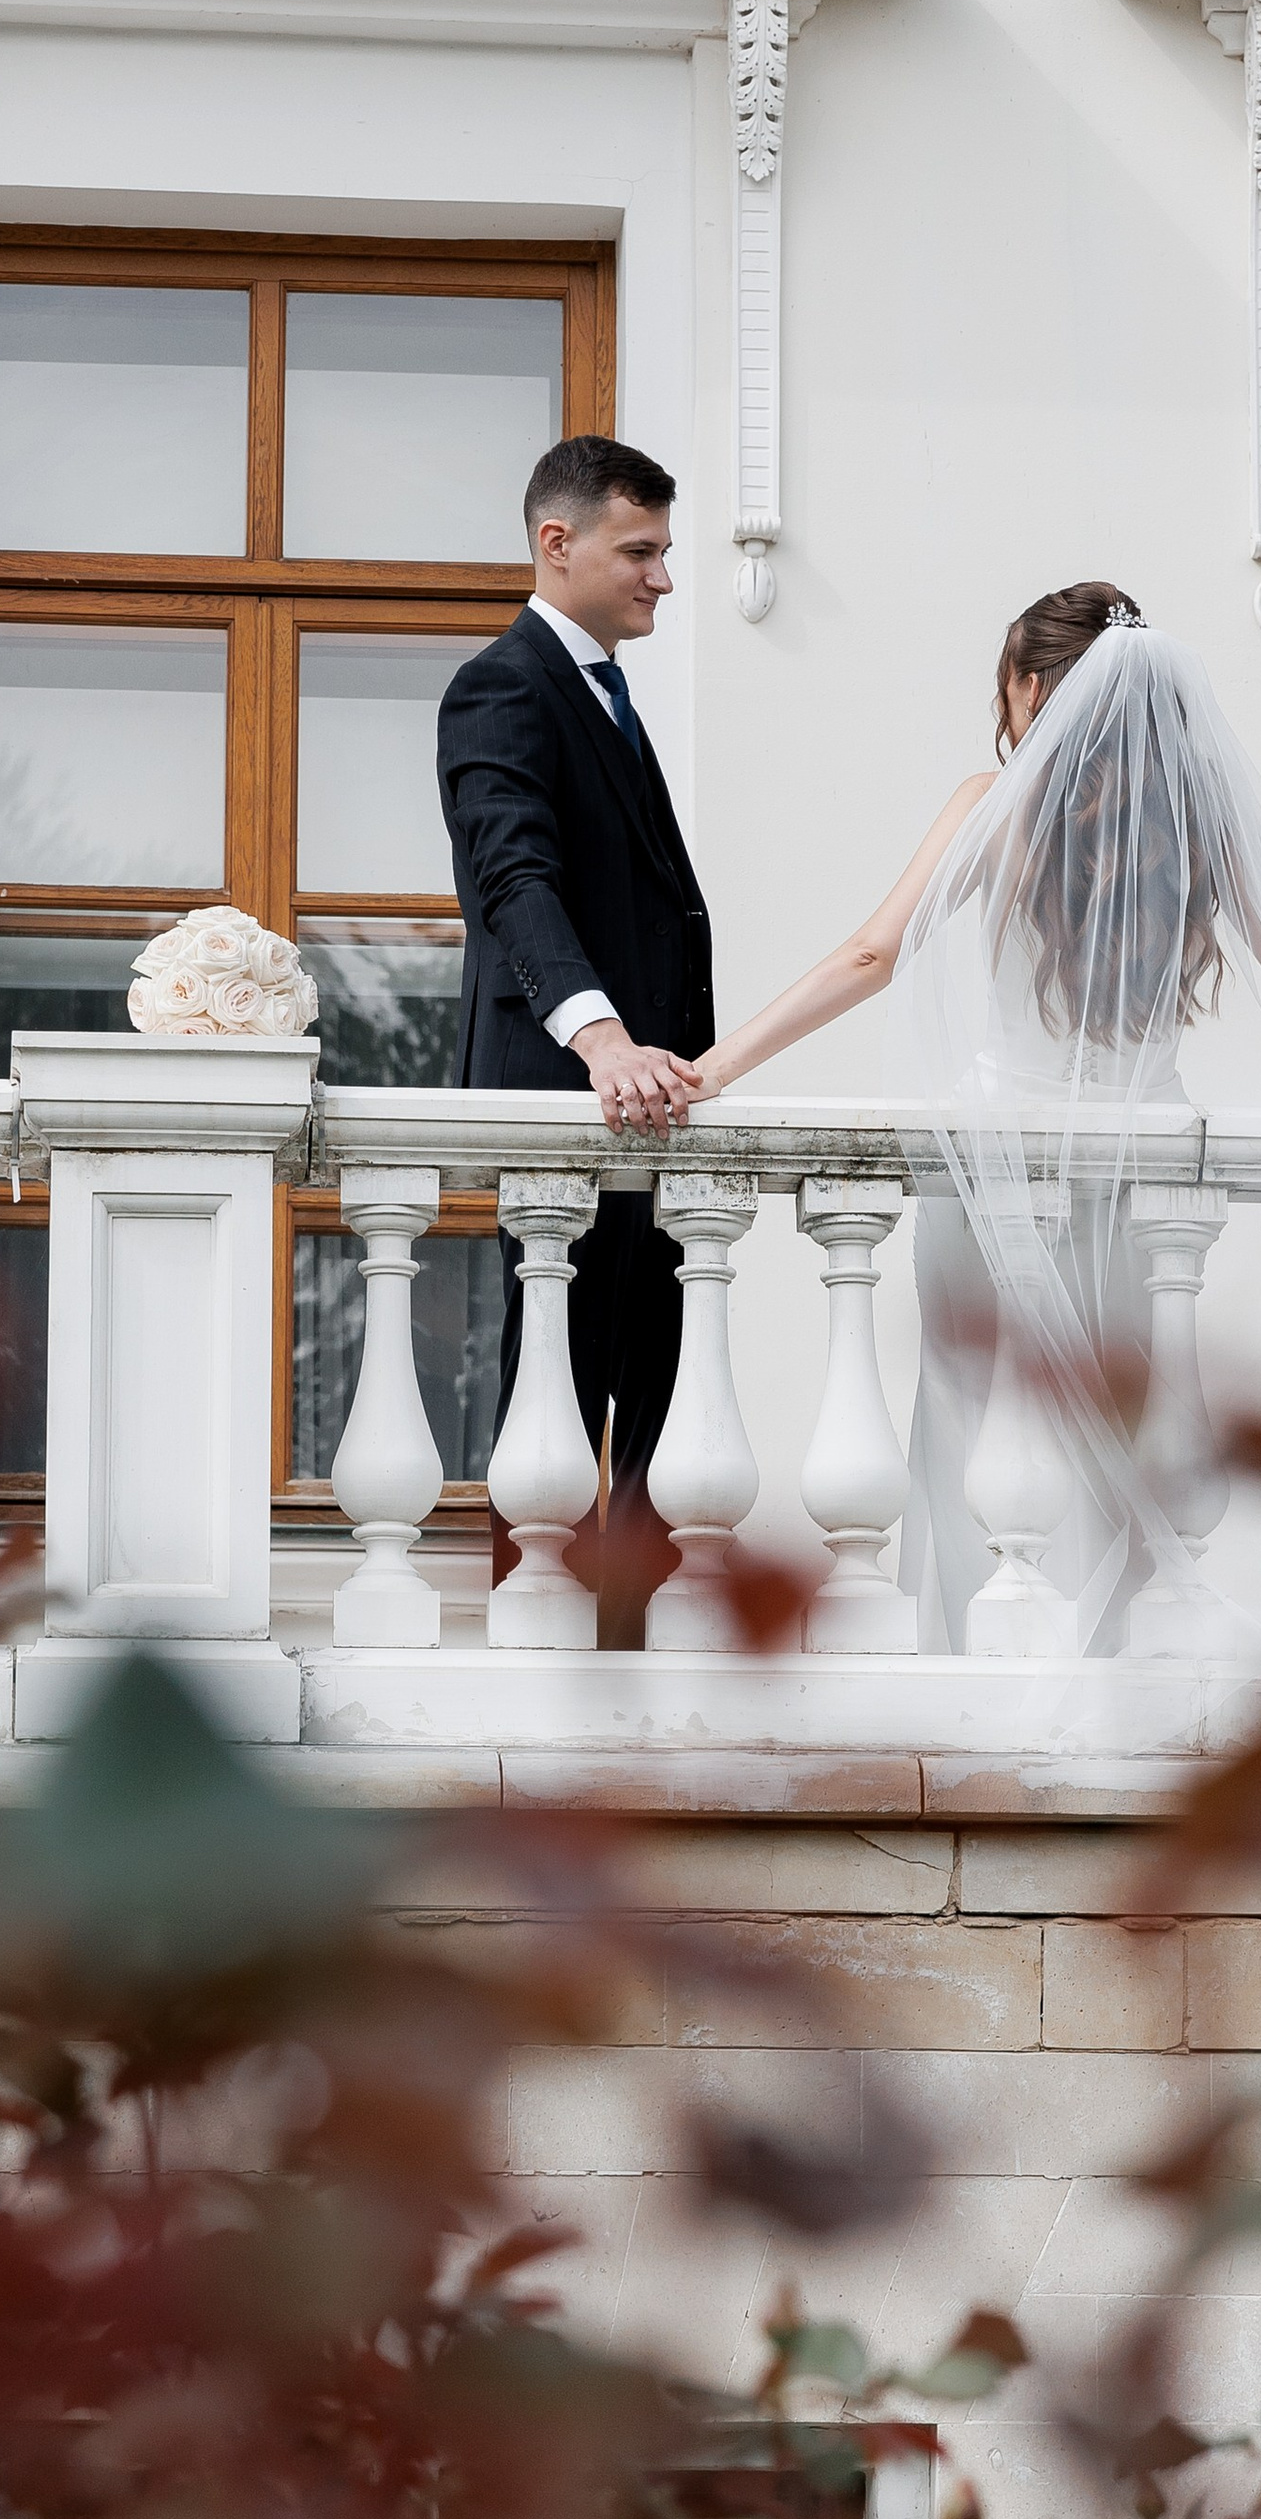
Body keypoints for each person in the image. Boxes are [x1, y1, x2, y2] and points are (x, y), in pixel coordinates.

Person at [693, 580, 1261, 1652]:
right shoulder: (1189, 828)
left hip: (1000, 1171)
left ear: (1026, 686)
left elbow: (874, 954)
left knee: (973, 1429)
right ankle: (1107, 1664)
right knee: (1118, 1436)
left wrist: (718, 1064)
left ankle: (976, 1655)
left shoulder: (988, 806)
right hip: (1143, 1184)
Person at [437, 438, 710, 1646]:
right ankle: (544, 1643)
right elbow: (514, 880)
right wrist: (601, 1039)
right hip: (572, 1102)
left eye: (662, 551)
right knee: (561, 1374)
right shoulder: (503, 686)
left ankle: (634, 1644)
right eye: (639, 551)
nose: (662, 577)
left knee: (653, 1371)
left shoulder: (606, 693)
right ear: (559, 545)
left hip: (652, 1120)